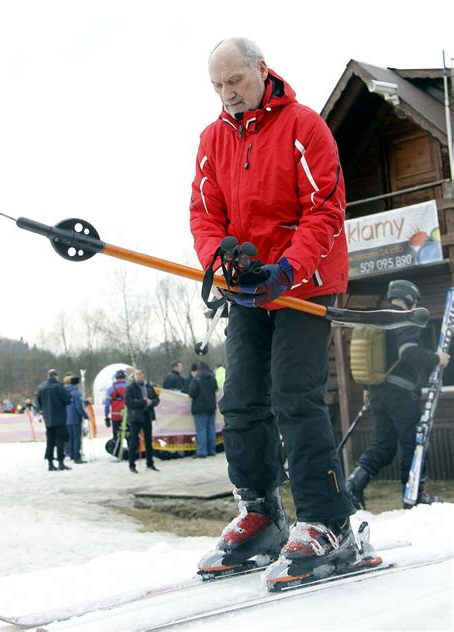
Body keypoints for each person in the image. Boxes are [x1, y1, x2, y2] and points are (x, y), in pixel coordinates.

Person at [189, 37, 354, 575]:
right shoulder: (213, 139)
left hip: (303, 283)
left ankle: (328, 521)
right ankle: (261, 512)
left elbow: (325, 210)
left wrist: (288, 270)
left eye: (234, 81)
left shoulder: (304, 126)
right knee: (239, 400)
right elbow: (205, 214)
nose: (227, 94)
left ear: (261, 70)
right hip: (249, 288)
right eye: (217, 86)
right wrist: (221, 263)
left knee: (293, 395)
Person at [346, 280, 451, 509]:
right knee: (413, 444)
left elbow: (374, 357)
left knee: (384, 445)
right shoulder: (405, 318)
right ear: (410, 298)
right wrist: (436, 358)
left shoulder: (380, 318)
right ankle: (413, 496)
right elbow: (408, 353)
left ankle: (353, 484)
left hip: (378, 393)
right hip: (401, 395)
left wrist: (367, 388)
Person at [36, 369, 72, 471]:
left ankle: (50, 463)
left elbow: (37, 404)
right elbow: (68, 399)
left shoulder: (41, 388)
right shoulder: (58, 387)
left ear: (48, 376)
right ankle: (61, 462)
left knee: (50, 441)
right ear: (56, 376)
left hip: (48, 419)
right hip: (60, 418)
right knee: (60, 440)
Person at [125, 368, 160, 473]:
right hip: (135, 417)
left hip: (147, 415)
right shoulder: (130, 387)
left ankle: (150, 463)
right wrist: (142, 402)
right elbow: (128, 402)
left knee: (149, 441)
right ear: (133, 376)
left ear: (143, 375)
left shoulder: (148, 386)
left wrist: (152, 402)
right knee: (134, 442)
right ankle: (132, 465)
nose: (138, 376)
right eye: (136, 374)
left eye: (140, 374)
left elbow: (156, 399)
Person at [188, 361, 218, 458]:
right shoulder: (212, 377)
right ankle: (212, 450)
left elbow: (192, 393)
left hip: (199, 408)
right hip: (211, 406)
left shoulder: (196, 379)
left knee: (201, 430)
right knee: (211, 428)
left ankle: (202, 451)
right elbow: (216, 389)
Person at [65, 376, 89, 464]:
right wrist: (85, 416)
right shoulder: (76, 393)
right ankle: (76, 456)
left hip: (66, 418)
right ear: (77, 383)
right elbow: (79, 407)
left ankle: (71, 454)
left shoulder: (65, 392)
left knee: (70, 438)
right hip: (75, 418)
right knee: (77, 438)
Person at [104, 369, 128, 440]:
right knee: (130, 437)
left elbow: (107, 405)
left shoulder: (111, 389)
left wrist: (106, 416)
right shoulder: (130, 387)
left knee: (117, 438)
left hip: (115, 416)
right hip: (128, 416)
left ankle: (117, 449)